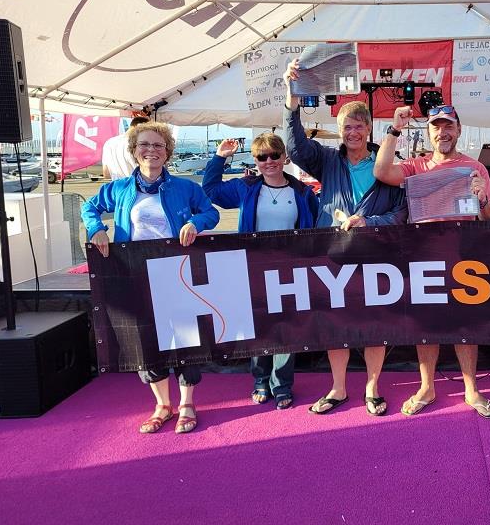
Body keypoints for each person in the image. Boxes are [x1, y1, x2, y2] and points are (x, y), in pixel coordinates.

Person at [283, 59, 408, 417]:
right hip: (333, 255)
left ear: (369, 128)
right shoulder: (325, 160)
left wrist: (370, 222)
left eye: (358, 127)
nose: (352, 133)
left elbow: (401, 211)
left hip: (374, 254)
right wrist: (292, 101)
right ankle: (338, 388)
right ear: (339, 130)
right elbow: (294, 147)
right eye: (346, 127)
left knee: (374, 325)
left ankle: (372, 388)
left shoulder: (388, 162)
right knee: (335, 324)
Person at [82, 121, 220, 434]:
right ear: (134, 151)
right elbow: (89, 209)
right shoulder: (118, 189)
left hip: (177, 274)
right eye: (144, 145)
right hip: (134, 275)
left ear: (167, 152)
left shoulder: (185, 188)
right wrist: (97, 229)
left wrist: (196, 223)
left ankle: (186, 403)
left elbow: (210, 212)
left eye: (158, 145)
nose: (151, 151)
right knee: (144, 339)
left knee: (185, 338)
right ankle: (162, 404)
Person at [373, 104, 490, 419]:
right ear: (428, 132)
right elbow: (380, 171)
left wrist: (482, 198)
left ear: (458, 130)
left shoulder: (475, 167)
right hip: (423, 257)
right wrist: (394, 128)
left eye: (448, 126)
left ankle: (471, 389)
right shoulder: (416, 166)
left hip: (463, 258)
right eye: (436, 127)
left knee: (465, 326)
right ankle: (427, 387)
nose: (442, 132)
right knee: (426, 326)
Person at [202, 133, 319, 410]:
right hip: (253, 269)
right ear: (255, 161)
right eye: (262, 157)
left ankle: (282, 385)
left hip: (290, 270)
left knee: (287, 330)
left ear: (284, 158)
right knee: (258, 327)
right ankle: (260, 380)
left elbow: (314, 227)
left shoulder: (302, 192)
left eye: (274, 156)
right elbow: (210, 191)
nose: (269, 162)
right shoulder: (246, 187)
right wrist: (220, 157)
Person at [102, 115, 149, 180]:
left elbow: (106, 174)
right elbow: (147, 172)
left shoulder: (109, 143)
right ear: (139, 126)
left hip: (117, 187)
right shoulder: (138, 143)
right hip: (135, 186)